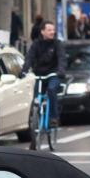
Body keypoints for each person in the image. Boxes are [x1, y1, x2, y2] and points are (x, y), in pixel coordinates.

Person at [25, 20, 67, 148]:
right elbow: (29, 58)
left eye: (53, 30)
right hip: (40, 74)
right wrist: (23, 71)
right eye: (49, 30)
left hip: (53, 74)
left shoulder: (57, 44)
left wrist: (60, 71)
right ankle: (34, 124)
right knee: (36, 96)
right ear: (42, 31)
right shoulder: (36, 44)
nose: (52, 32)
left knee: (52, 89)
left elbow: (62, 59)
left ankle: (53, 118)